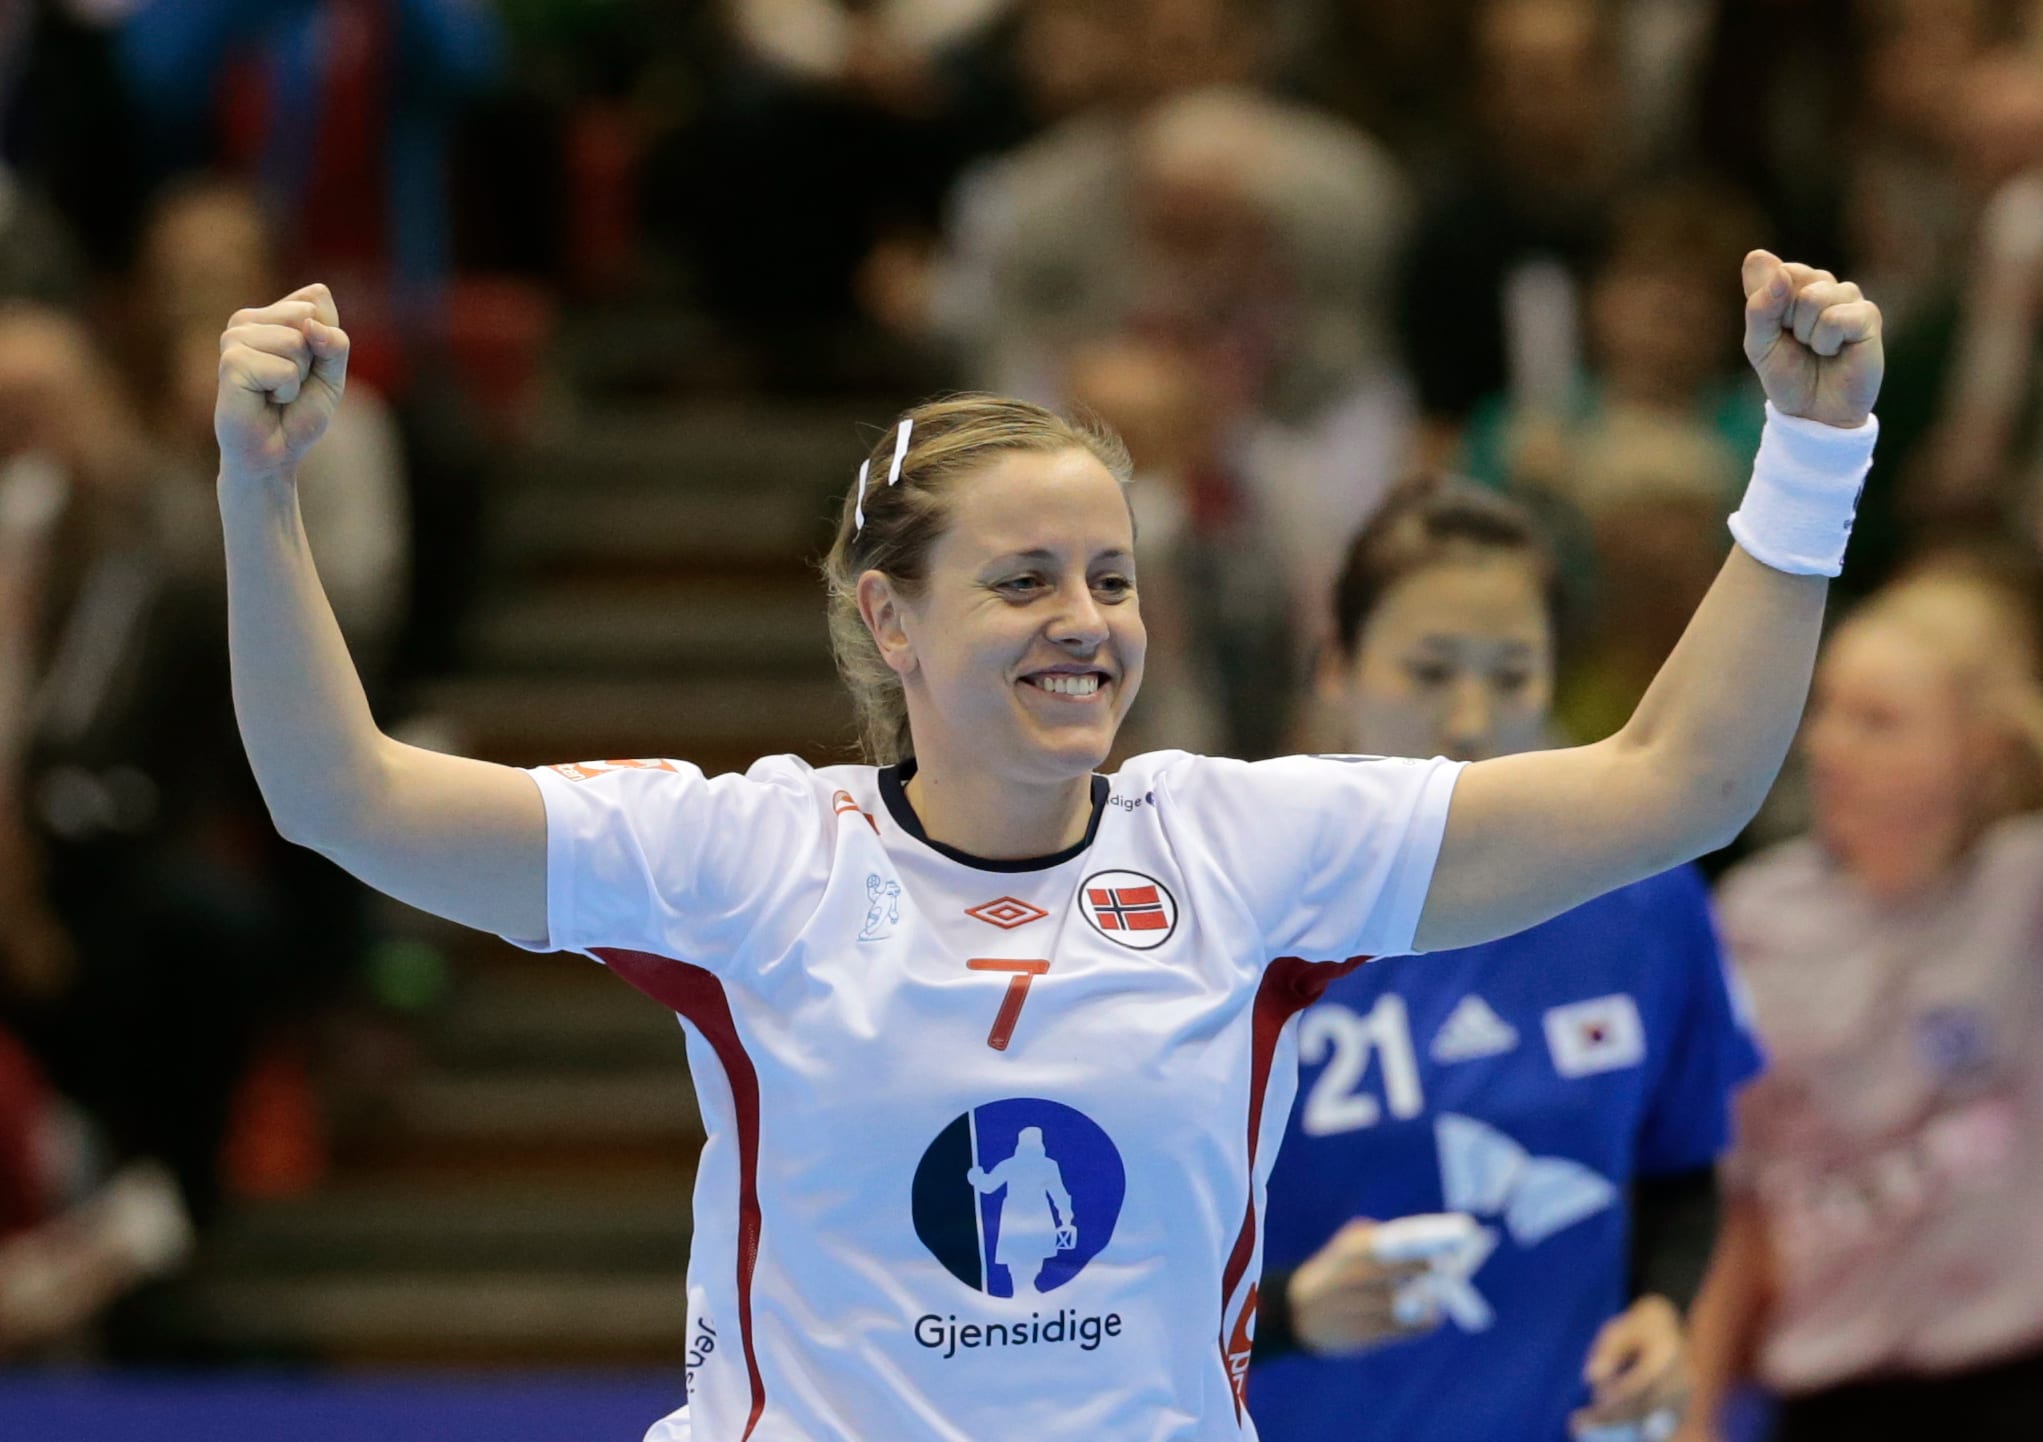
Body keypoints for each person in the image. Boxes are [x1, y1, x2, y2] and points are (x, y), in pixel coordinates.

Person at [212, 249, 1878, 1440]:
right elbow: (340, 795)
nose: (1082, 620)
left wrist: (1809, 457)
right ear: (891, 620)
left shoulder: (1244, 849)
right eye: (1020, 581)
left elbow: (1674, 782)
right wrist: (260, 492)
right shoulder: (741, 860)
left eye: (1110, 576)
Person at [1247, 478, 1762, 1442]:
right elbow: (1119, 1257)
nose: (1471, 721)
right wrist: (1286, 1313)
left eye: (1514, 675)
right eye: (1429, 671)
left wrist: (1663, 1310)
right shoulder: (1234, 904)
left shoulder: (1642, 899)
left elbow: (1680, 1165)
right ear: (1335, 669)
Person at [1679, 564, 2043, 1442]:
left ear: (1979, 746)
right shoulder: (1757, 919)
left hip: (2012, 1372)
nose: (1827, 746)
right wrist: (1692, 1415)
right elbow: (1731, 1197)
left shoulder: (2019, 888)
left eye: (1877, 721)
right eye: (1826, 709)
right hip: (1835, 1388)